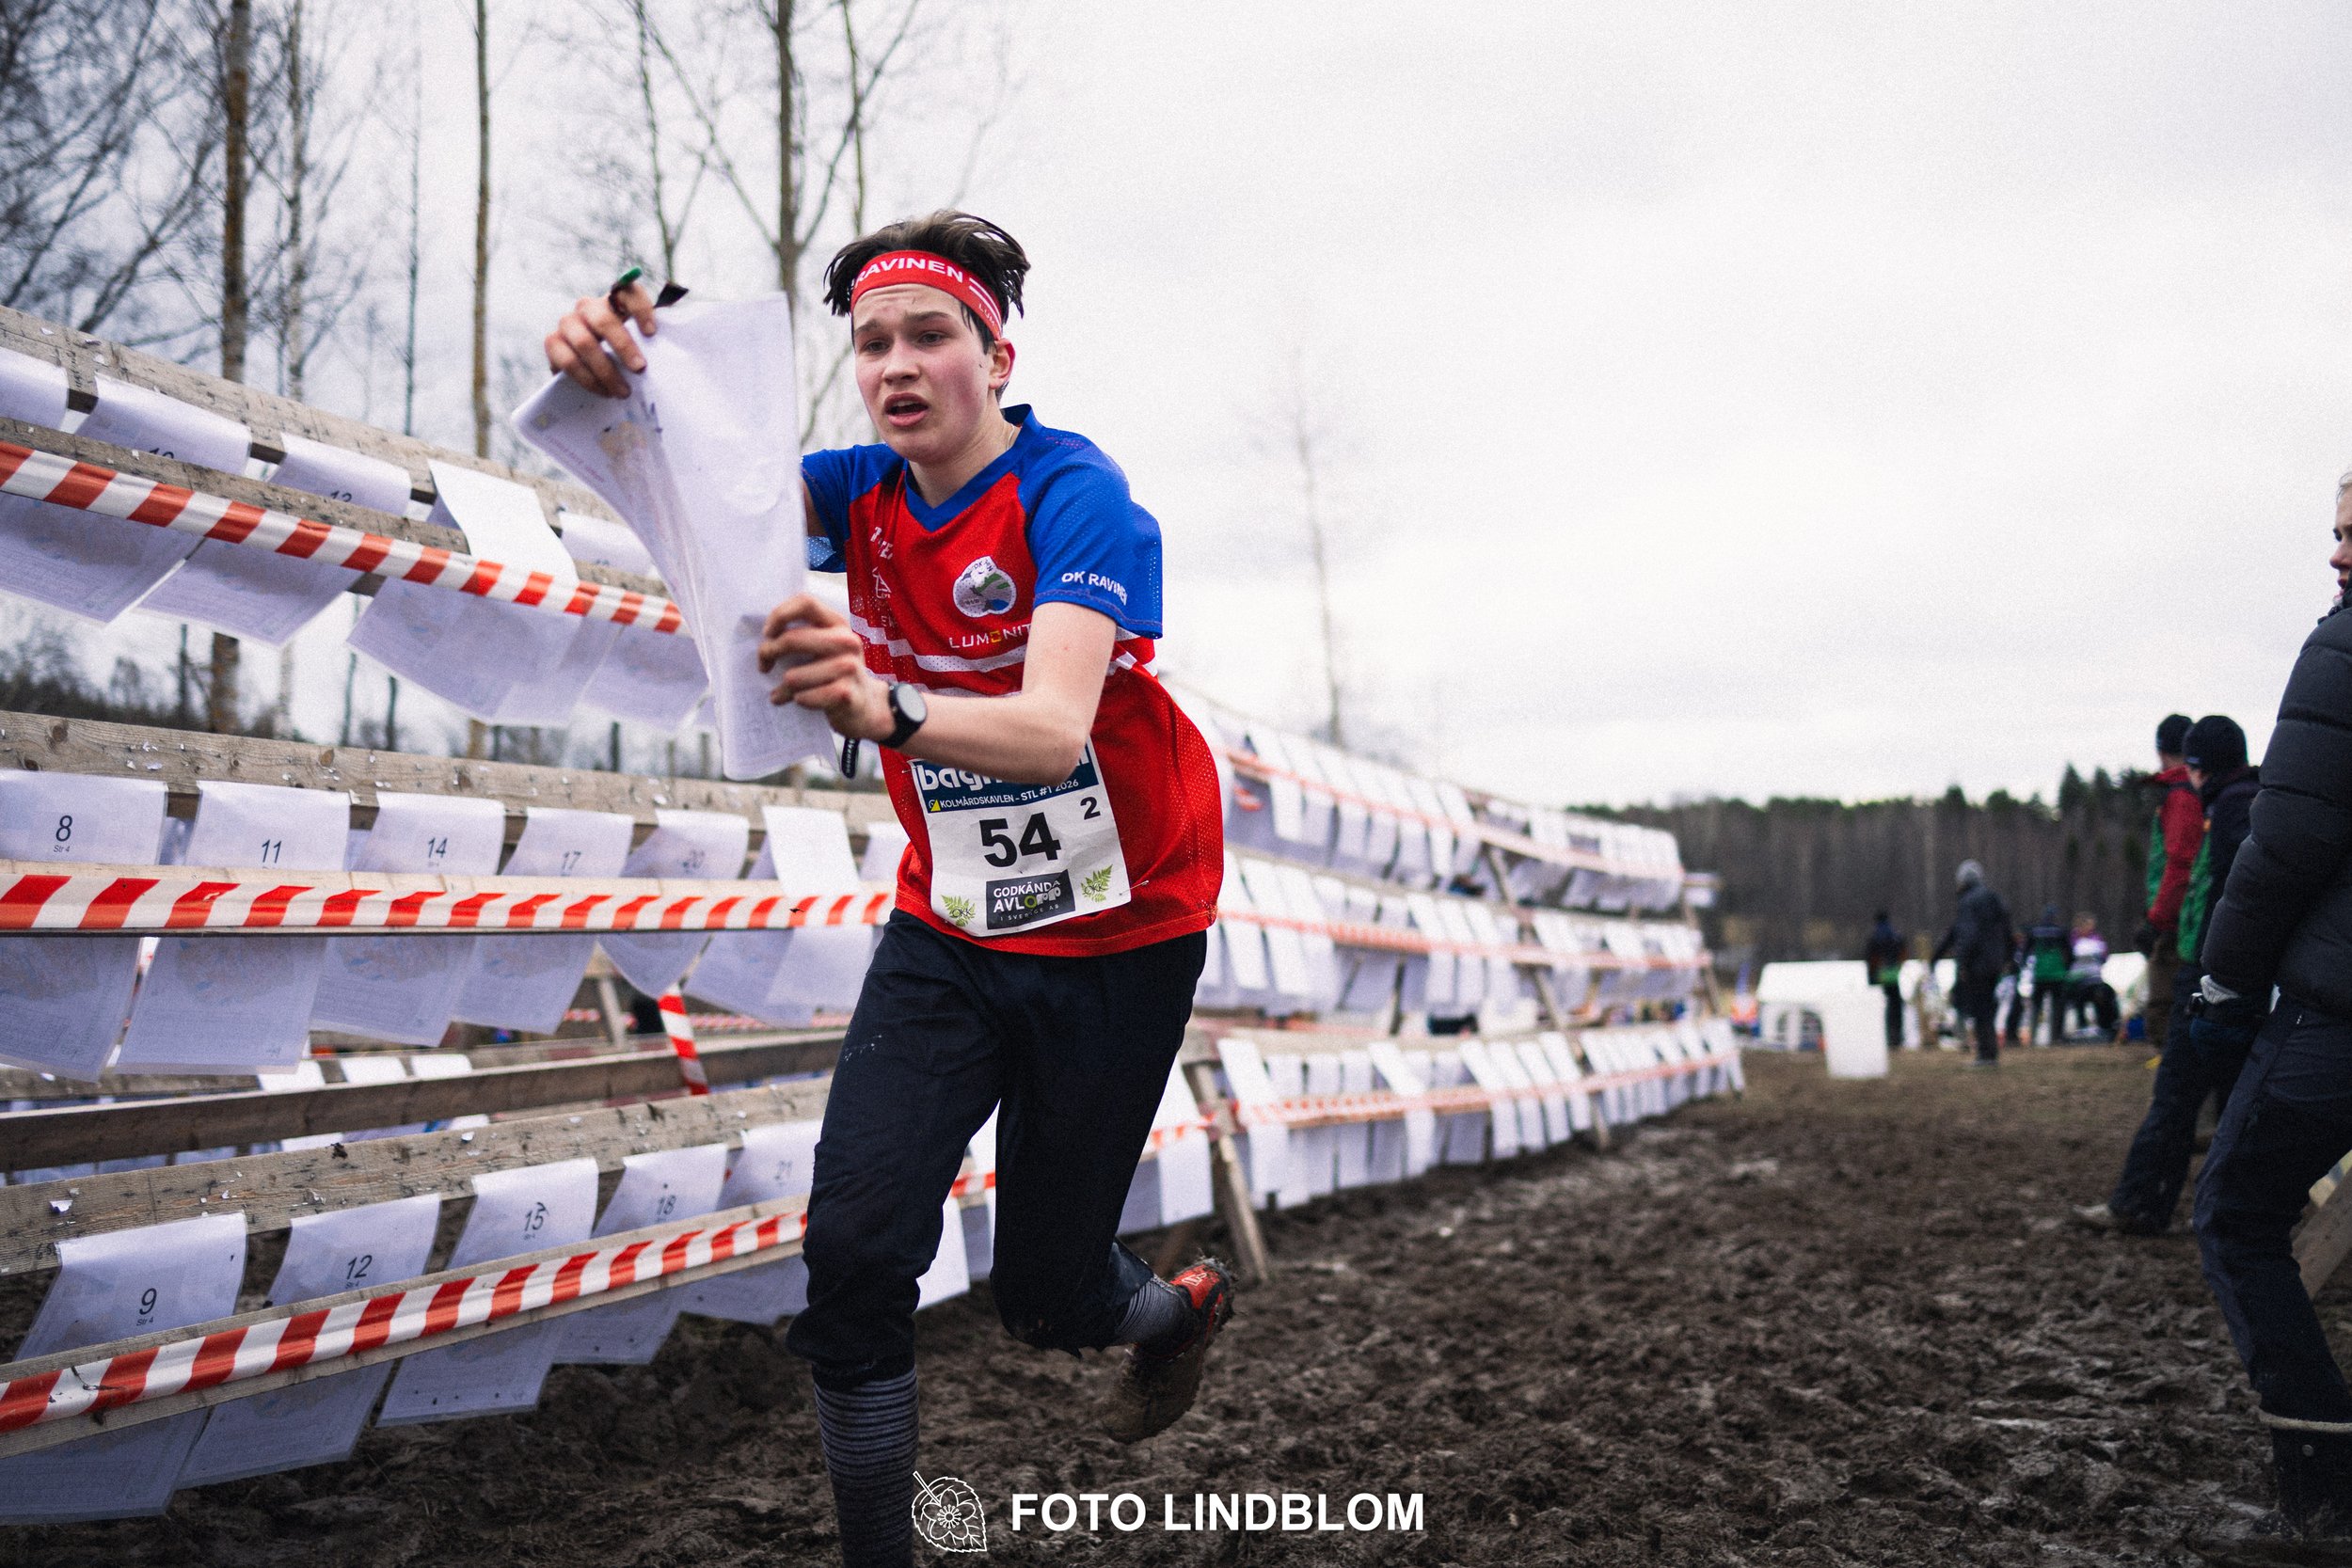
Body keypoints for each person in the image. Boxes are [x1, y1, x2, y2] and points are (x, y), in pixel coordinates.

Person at [547, 212, 1233, 1568]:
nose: (899, 365)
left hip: (1125, 926)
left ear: (996, 351)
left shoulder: (1076, 495)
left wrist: (881, 703)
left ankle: (1181, 1309)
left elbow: (1049, 729)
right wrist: (615, 363)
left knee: (1047, 1290)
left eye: (932, 336)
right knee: (857, 1242)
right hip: (953, 924)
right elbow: (687, 489)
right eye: (872, 343)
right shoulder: (854, 492)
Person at [2190, 482, 2352, 1541]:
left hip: (2336, 1009)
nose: (2338, 553)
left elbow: (2285, 841)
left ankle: (2327, 1490)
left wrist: (2222, 975)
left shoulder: (2341, 649)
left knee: (2236, 1211)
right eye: (2336, 531)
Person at [2078, 715, 2259, 1237]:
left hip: (2208, 976)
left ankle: (2140, 1203)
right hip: (2229, 977)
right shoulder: (2249, 805)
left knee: (2176, 1093)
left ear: (2199, 767)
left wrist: (2190, 951)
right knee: (2232, 1098)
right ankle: (2238, 1214)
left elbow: (2212, 889)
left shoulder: (2226, 812)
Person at [2138, 713, 2202, 1050]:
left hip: (2177, 925)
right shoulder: (2193, 791)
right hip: (2185, 919)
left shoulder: (2179, 796)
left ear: (2161, 750)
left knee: (2165, 1009)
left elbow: (2179, 864)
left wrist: (2158, 920)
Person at [1933, 861, 2012, 1066]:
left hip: (1978, 964)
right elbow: (2007, 930)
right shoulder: (1994, 898)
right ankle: (1990, 1052)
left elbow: (1967, 935)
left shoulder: (1968, 902)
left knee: (1980, 1008)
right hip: (1995, 963)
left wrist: (1962, 964)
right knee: (1987, 1006)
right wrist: (2009, 958)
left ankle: (1985, 1054)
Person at [2019, 904, 2071, 1047]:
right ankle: (2056, 1037)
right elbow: (2069, 953)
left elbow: (2025, 952)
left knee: (2036, 1006)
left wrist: (2023, 966)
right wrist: (2067, 968)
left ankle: (2033, 1037)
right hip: (2058, 974)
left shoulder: (2035, 931)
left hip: (2040, 973)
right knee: (2057, 1007)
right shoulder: (2060, 932)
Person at [2064, 913, 2115, 1037]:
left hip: (2095, 979)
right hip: (2077, 980)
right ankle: (2082, 1026)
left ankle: (2105, 1026)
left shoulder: (2097, 939)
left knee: (2104, 996)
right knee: (2079, 999)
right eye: (2088, 925)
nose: (2090, 928)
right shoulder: (2072, 940)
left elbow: (2104, 957)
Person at [1864, 910, 1905, 1050]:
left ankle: (1883, 1036)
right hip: (1892, 974)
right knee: (1895, 1005)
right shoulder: (1895, 934)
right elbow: (1902, 953)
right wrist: (1897, 968)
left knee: (1882, 1006)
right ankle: (1897, 1037)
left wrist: (1871, 977)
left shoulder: (1874, 936)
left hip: (1879, 974)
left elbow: (1870, 958)